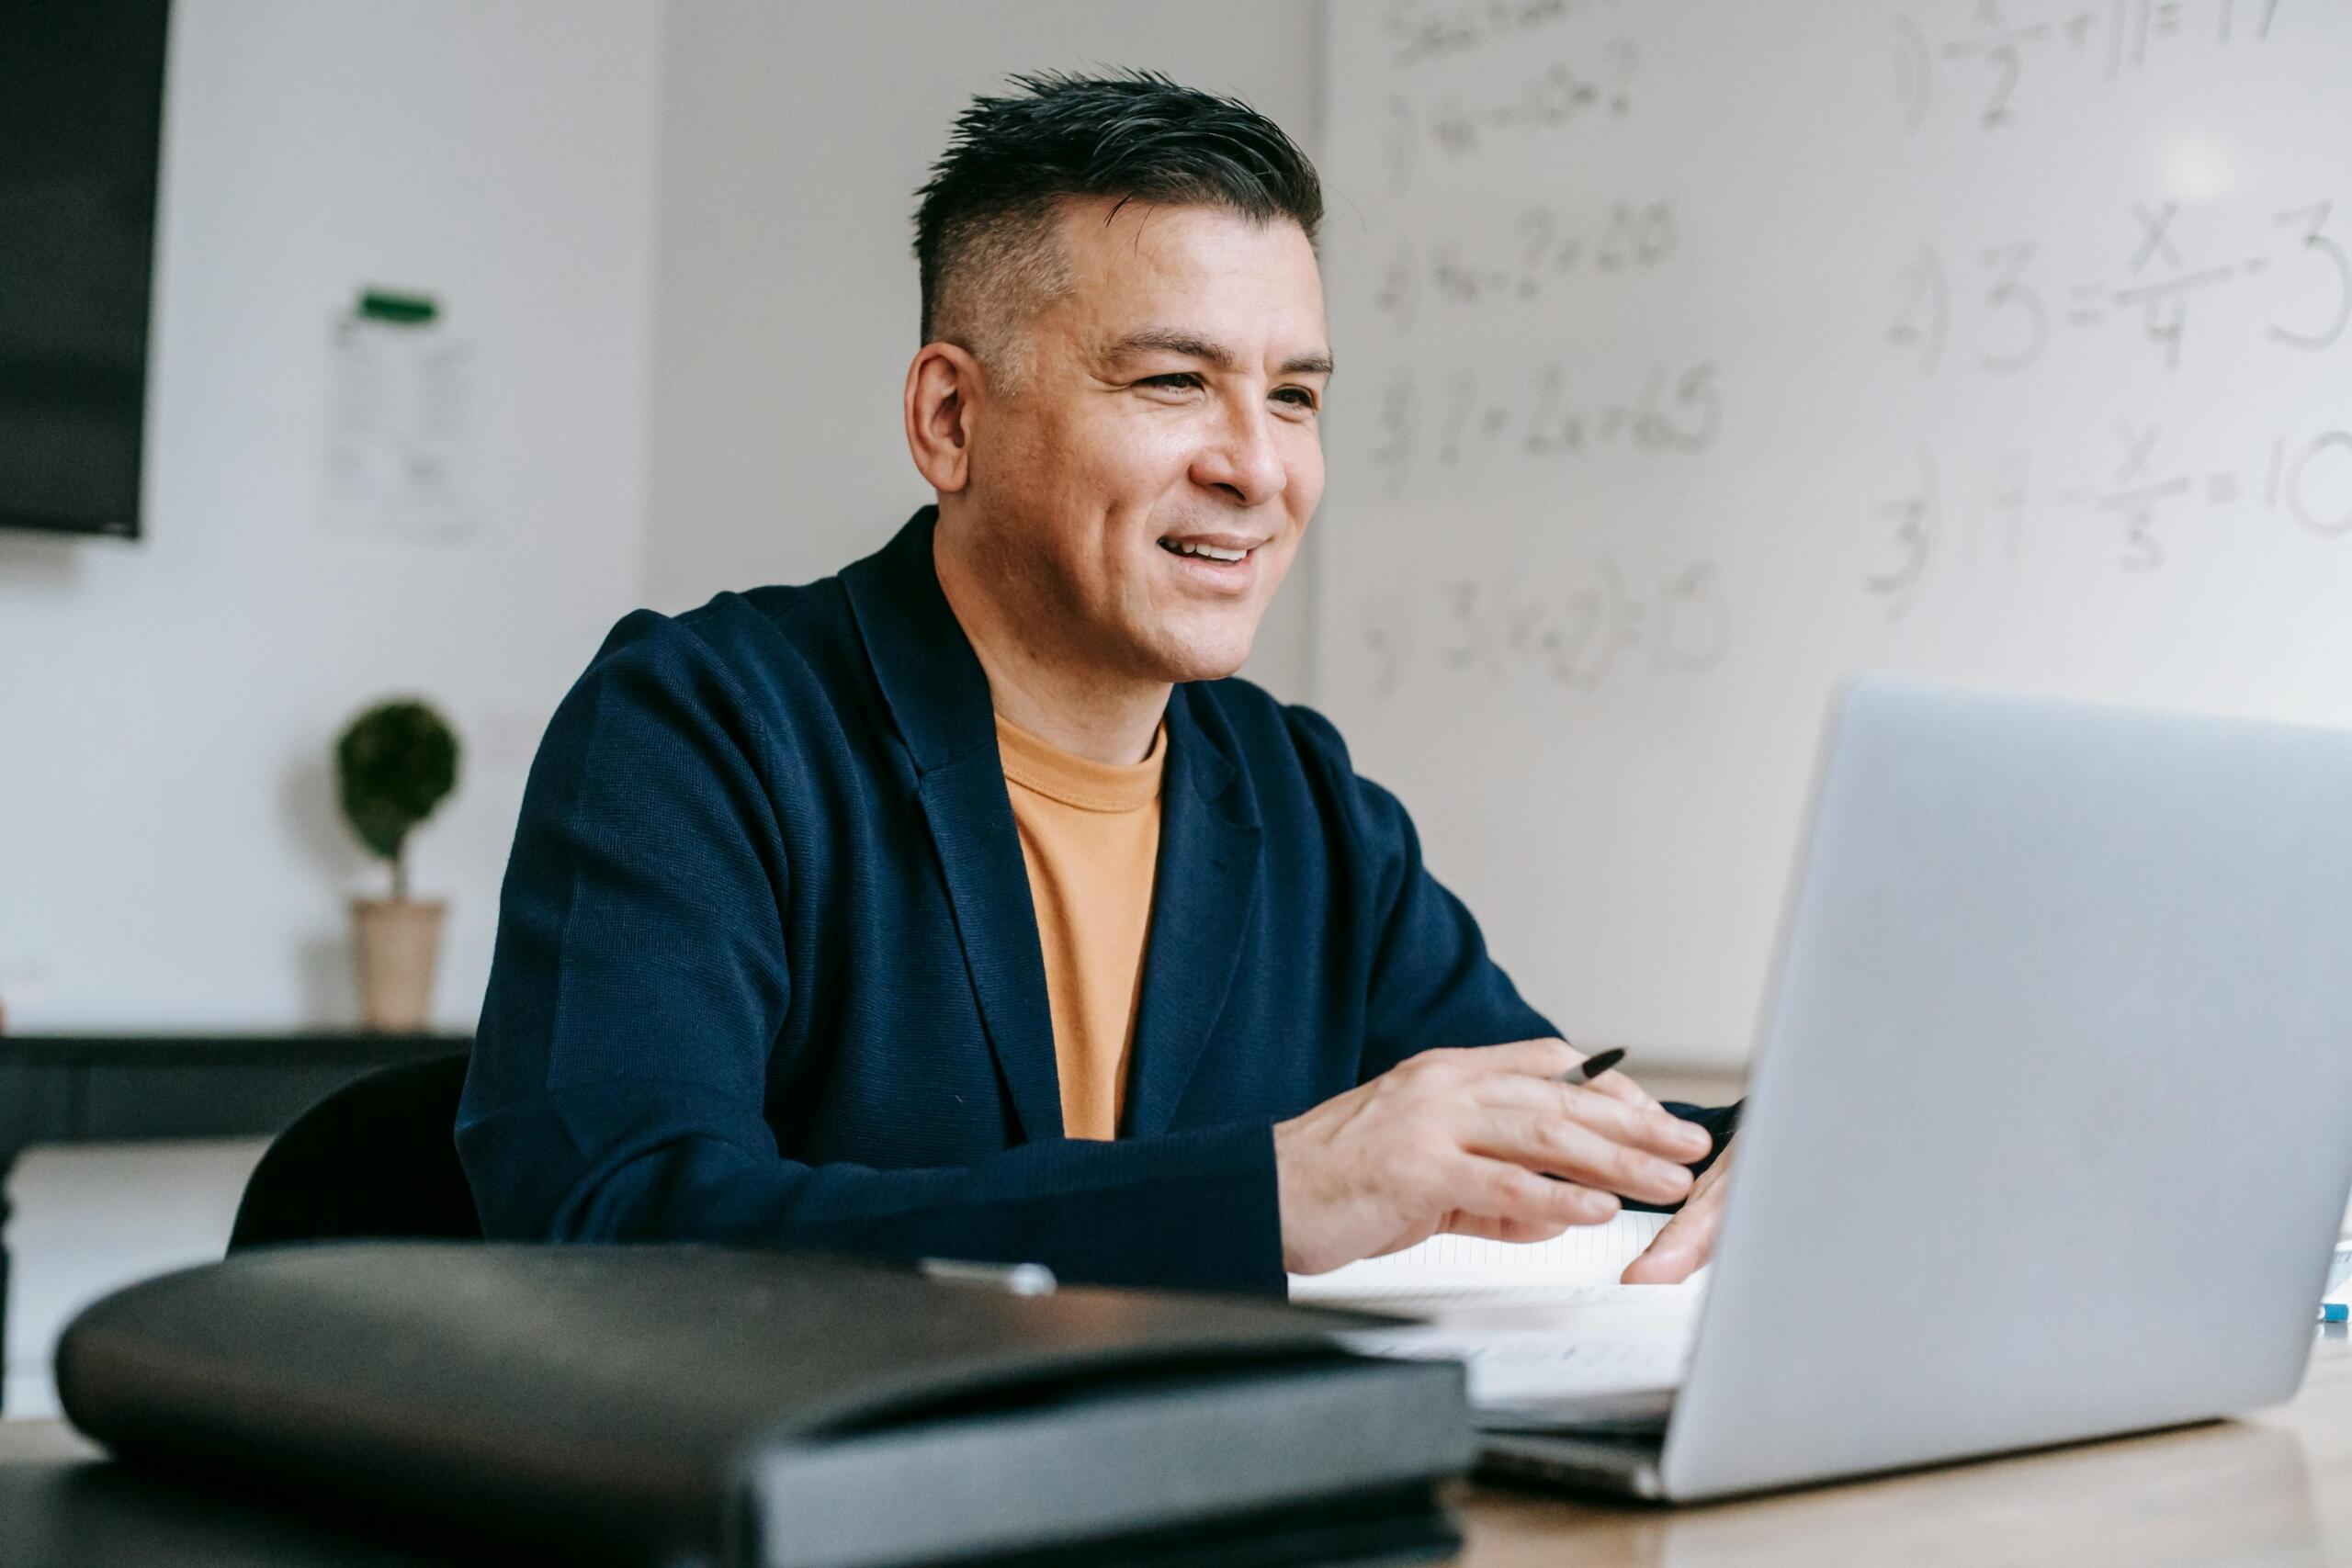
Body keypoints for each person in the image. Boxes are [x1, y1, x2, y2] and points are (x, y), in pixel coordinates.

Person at [458, 70, 1735, 1294]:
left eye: (1293, 395)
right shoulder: (700, 729)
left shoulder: (1304, 800)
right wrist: (1268, 1195)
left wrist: (1749, 1156)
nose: (1258, 468)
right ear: (951, 421)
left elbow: (1552, 1132)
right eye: (1175, 380)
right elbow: (611, 1233)